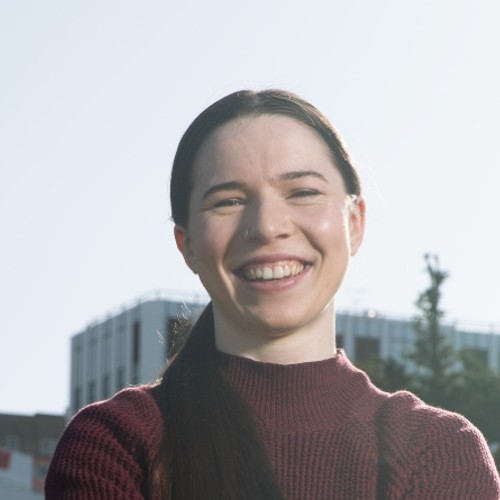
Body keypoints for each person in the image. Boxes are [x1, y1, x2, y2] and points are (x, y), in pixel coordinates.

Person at [45, 89, 500, 499]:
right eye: (228, 200)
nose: (265, 226)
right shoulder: (115, 443)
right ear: (187, 245)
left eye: (301, 192)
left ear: (355, 223)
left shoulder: (438, 449)